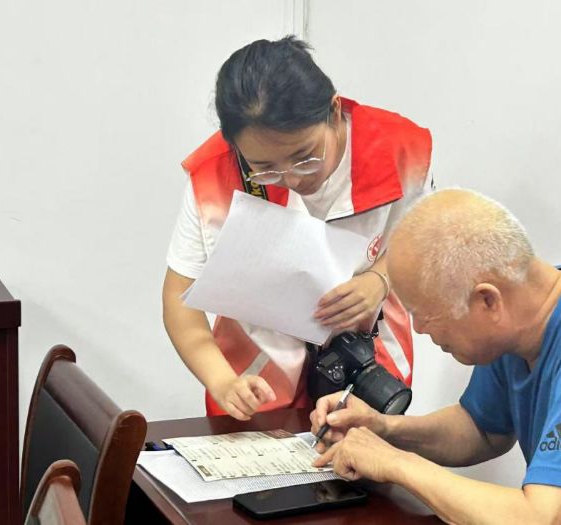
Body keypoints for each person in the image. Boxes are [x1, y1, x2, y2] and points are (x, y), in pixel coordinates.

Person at [311, 189, 561, 522]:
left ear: (487, 301)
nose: (421, 330)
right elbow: (481, 430)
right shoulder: (525, 312)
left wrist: (396, 463)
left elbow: (543, 518)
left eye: (426, 314)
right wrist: (384, 430)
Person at [162, 36, 433, 420]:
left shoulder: (398, 149)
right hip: (258, 380)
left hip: (367, 365)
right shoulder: (214, 177)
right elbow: (178, 298)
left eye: (305, 157)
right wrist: (222, 381)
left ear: (334, 111)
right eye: (264, 167)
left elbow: (425, 234)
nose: (291, 178)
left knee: (366, 454)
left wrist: (381, 279)